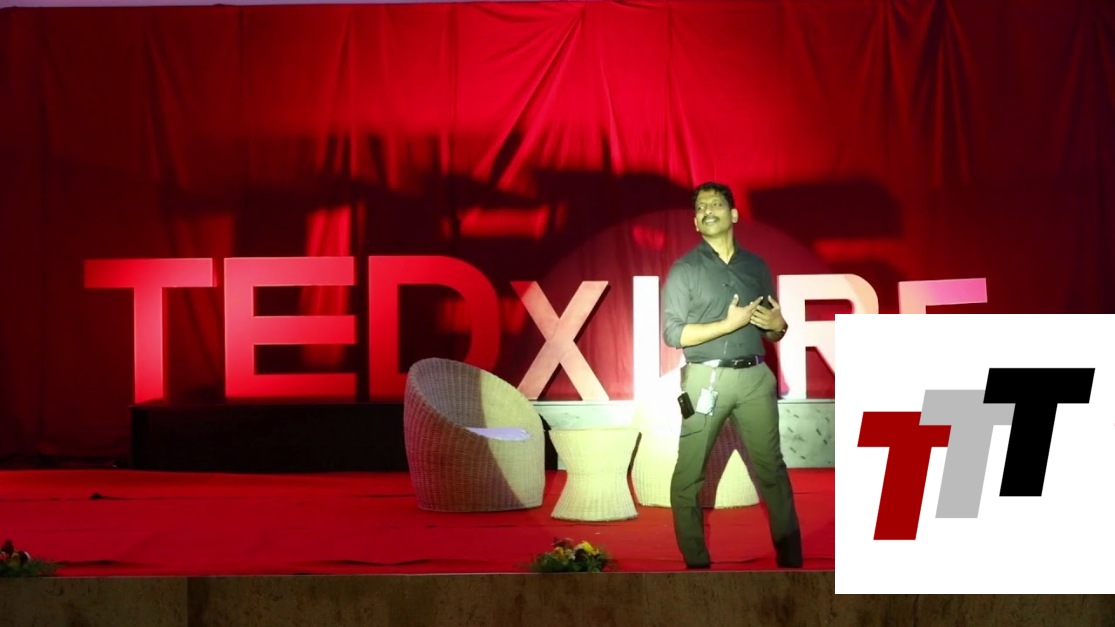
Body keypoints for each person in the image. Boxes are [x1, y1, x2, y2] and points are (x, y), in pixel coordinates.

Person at [660, 181, 802, 569]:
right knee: (689, 475)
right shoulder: (684, 270)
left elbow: (772, 330)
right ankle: (696, 564)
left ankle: (792, 561)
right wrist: (727, 324)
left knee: (772, 469)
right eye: (701, 207)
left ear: (733, 214)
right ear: (695, 222)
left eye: (717, 204)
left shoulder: (756, 267)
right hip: (705, 380)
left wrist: (779, 326)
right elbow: (673, 334)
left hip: (755, 379)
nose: (708, 210)